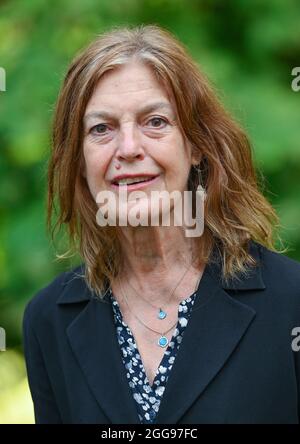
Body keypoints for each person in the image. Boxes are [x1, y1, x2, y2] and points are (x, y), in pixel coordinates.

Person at [22, 24, 300, 424]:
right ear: (79, 162)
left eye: (154, 122)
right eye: (102, 129)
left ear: (197, 145)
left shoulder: (290, 302)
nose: (129, 149)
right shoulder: (49, 320)